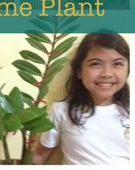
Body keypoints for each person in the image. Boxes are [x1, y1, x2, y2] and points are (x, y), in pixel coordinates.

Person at [33, 33, 130, 165]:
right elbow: (41, 154)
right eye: (95, 64)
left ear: (128, 70)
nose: (106, 74)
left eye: (117, 64)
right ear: (79, 71)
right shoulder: (61, 110)